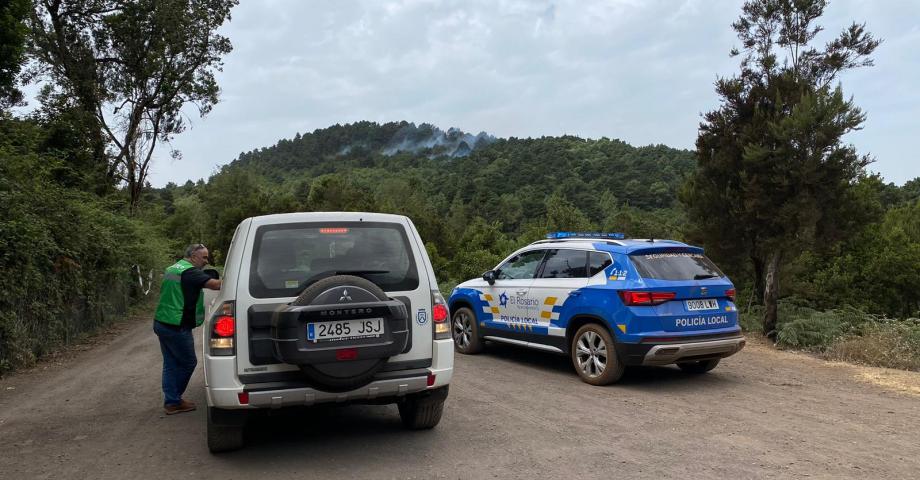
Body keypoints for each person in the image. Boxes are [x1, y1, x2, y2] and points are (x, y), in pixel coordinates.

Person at [153, 244, 221, 415]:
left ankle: (171, 401)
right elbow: (215, 285)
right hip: (177, 325)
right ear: (192, 256)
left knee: (170, 363)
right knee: (188, 362)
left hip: (162, 321)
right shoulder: (190, 272)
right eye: (204, 257)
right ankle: (174, 400)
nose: (207, 261)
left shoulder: (173, 268)